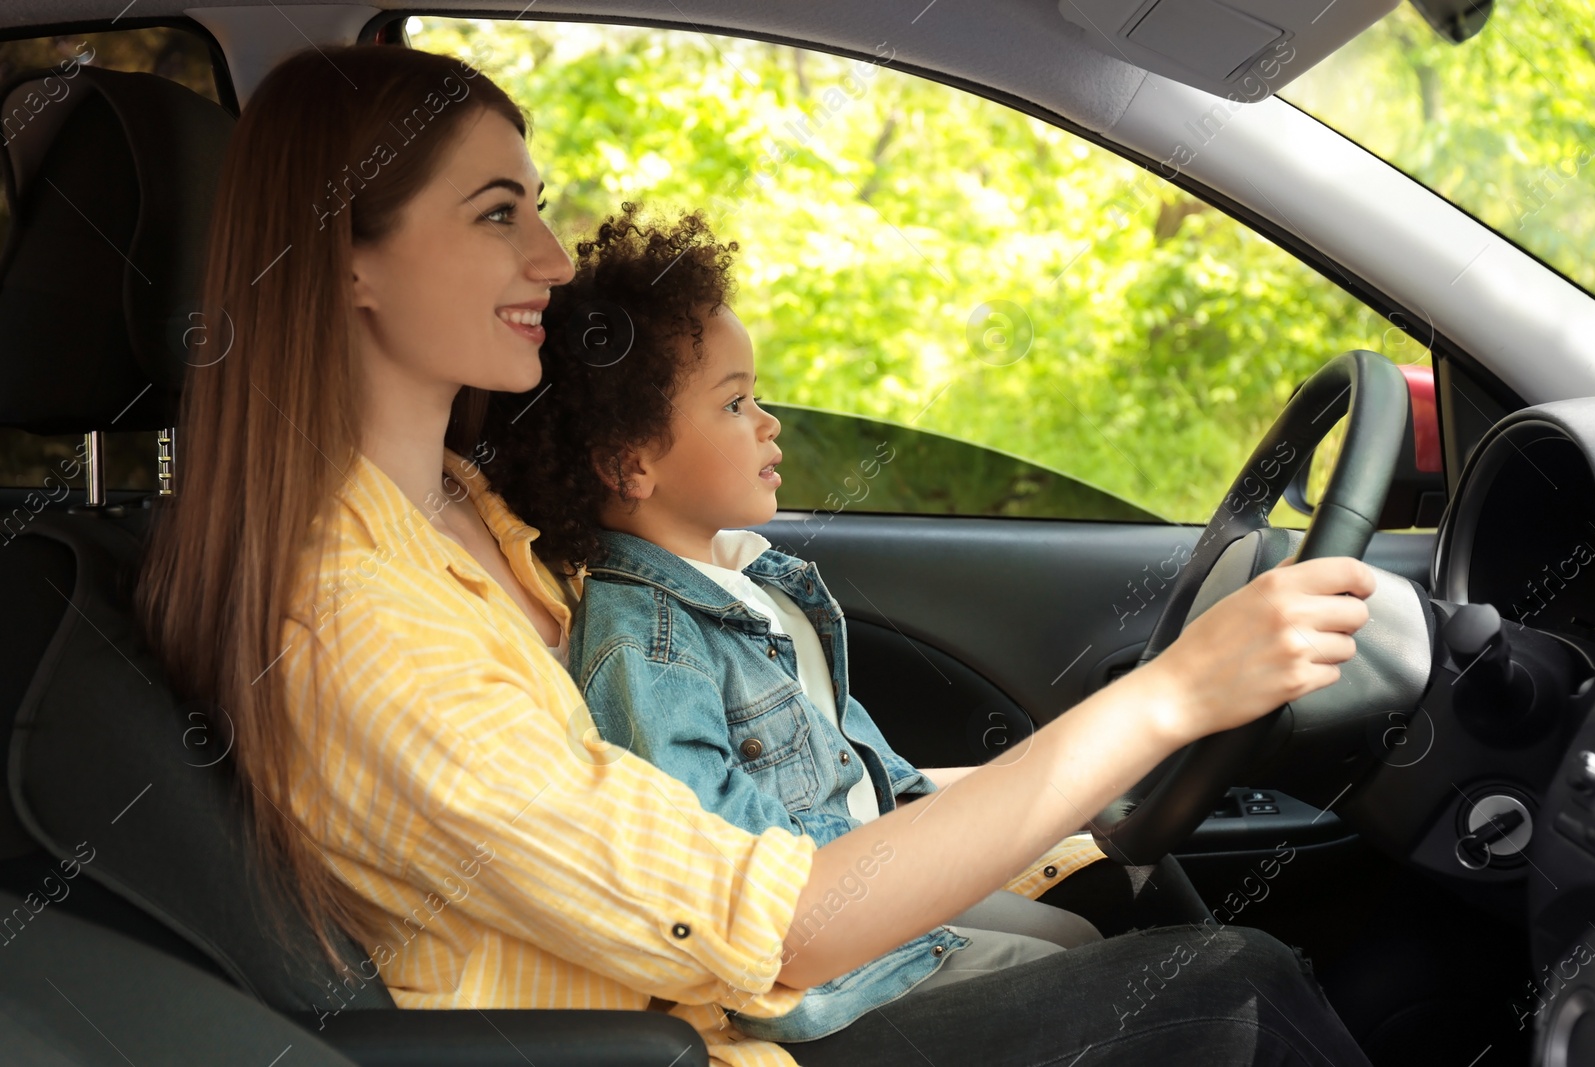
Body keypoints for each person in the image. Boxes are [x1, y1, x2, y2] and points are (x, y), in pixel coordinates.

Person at [135, 42, 1377, 1067]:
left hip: (728, 1010)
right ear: (348, 259)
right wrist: (1167, 697)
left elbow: (743, 788)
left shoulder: (464, 510)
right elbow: (770, 928)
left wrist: (1054, 795)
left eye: (542, 207)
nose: (553, 262)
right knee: (1232, 990)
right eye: (498, 212)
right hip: (709, 1035)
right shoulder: (351, 620)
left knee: (1149, 912)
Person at [481, 203, 1215, 1043]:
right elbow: (733, 878)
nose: (770, 422)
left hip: (875, 902)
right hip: (833, 986)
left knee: (1089, 924)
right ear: (629, 463)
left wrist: (1057, 787)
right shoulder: (643, 644)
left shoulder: (756, 583)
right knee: (1143, 975)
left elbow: (865, 773)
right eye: (734, 404)